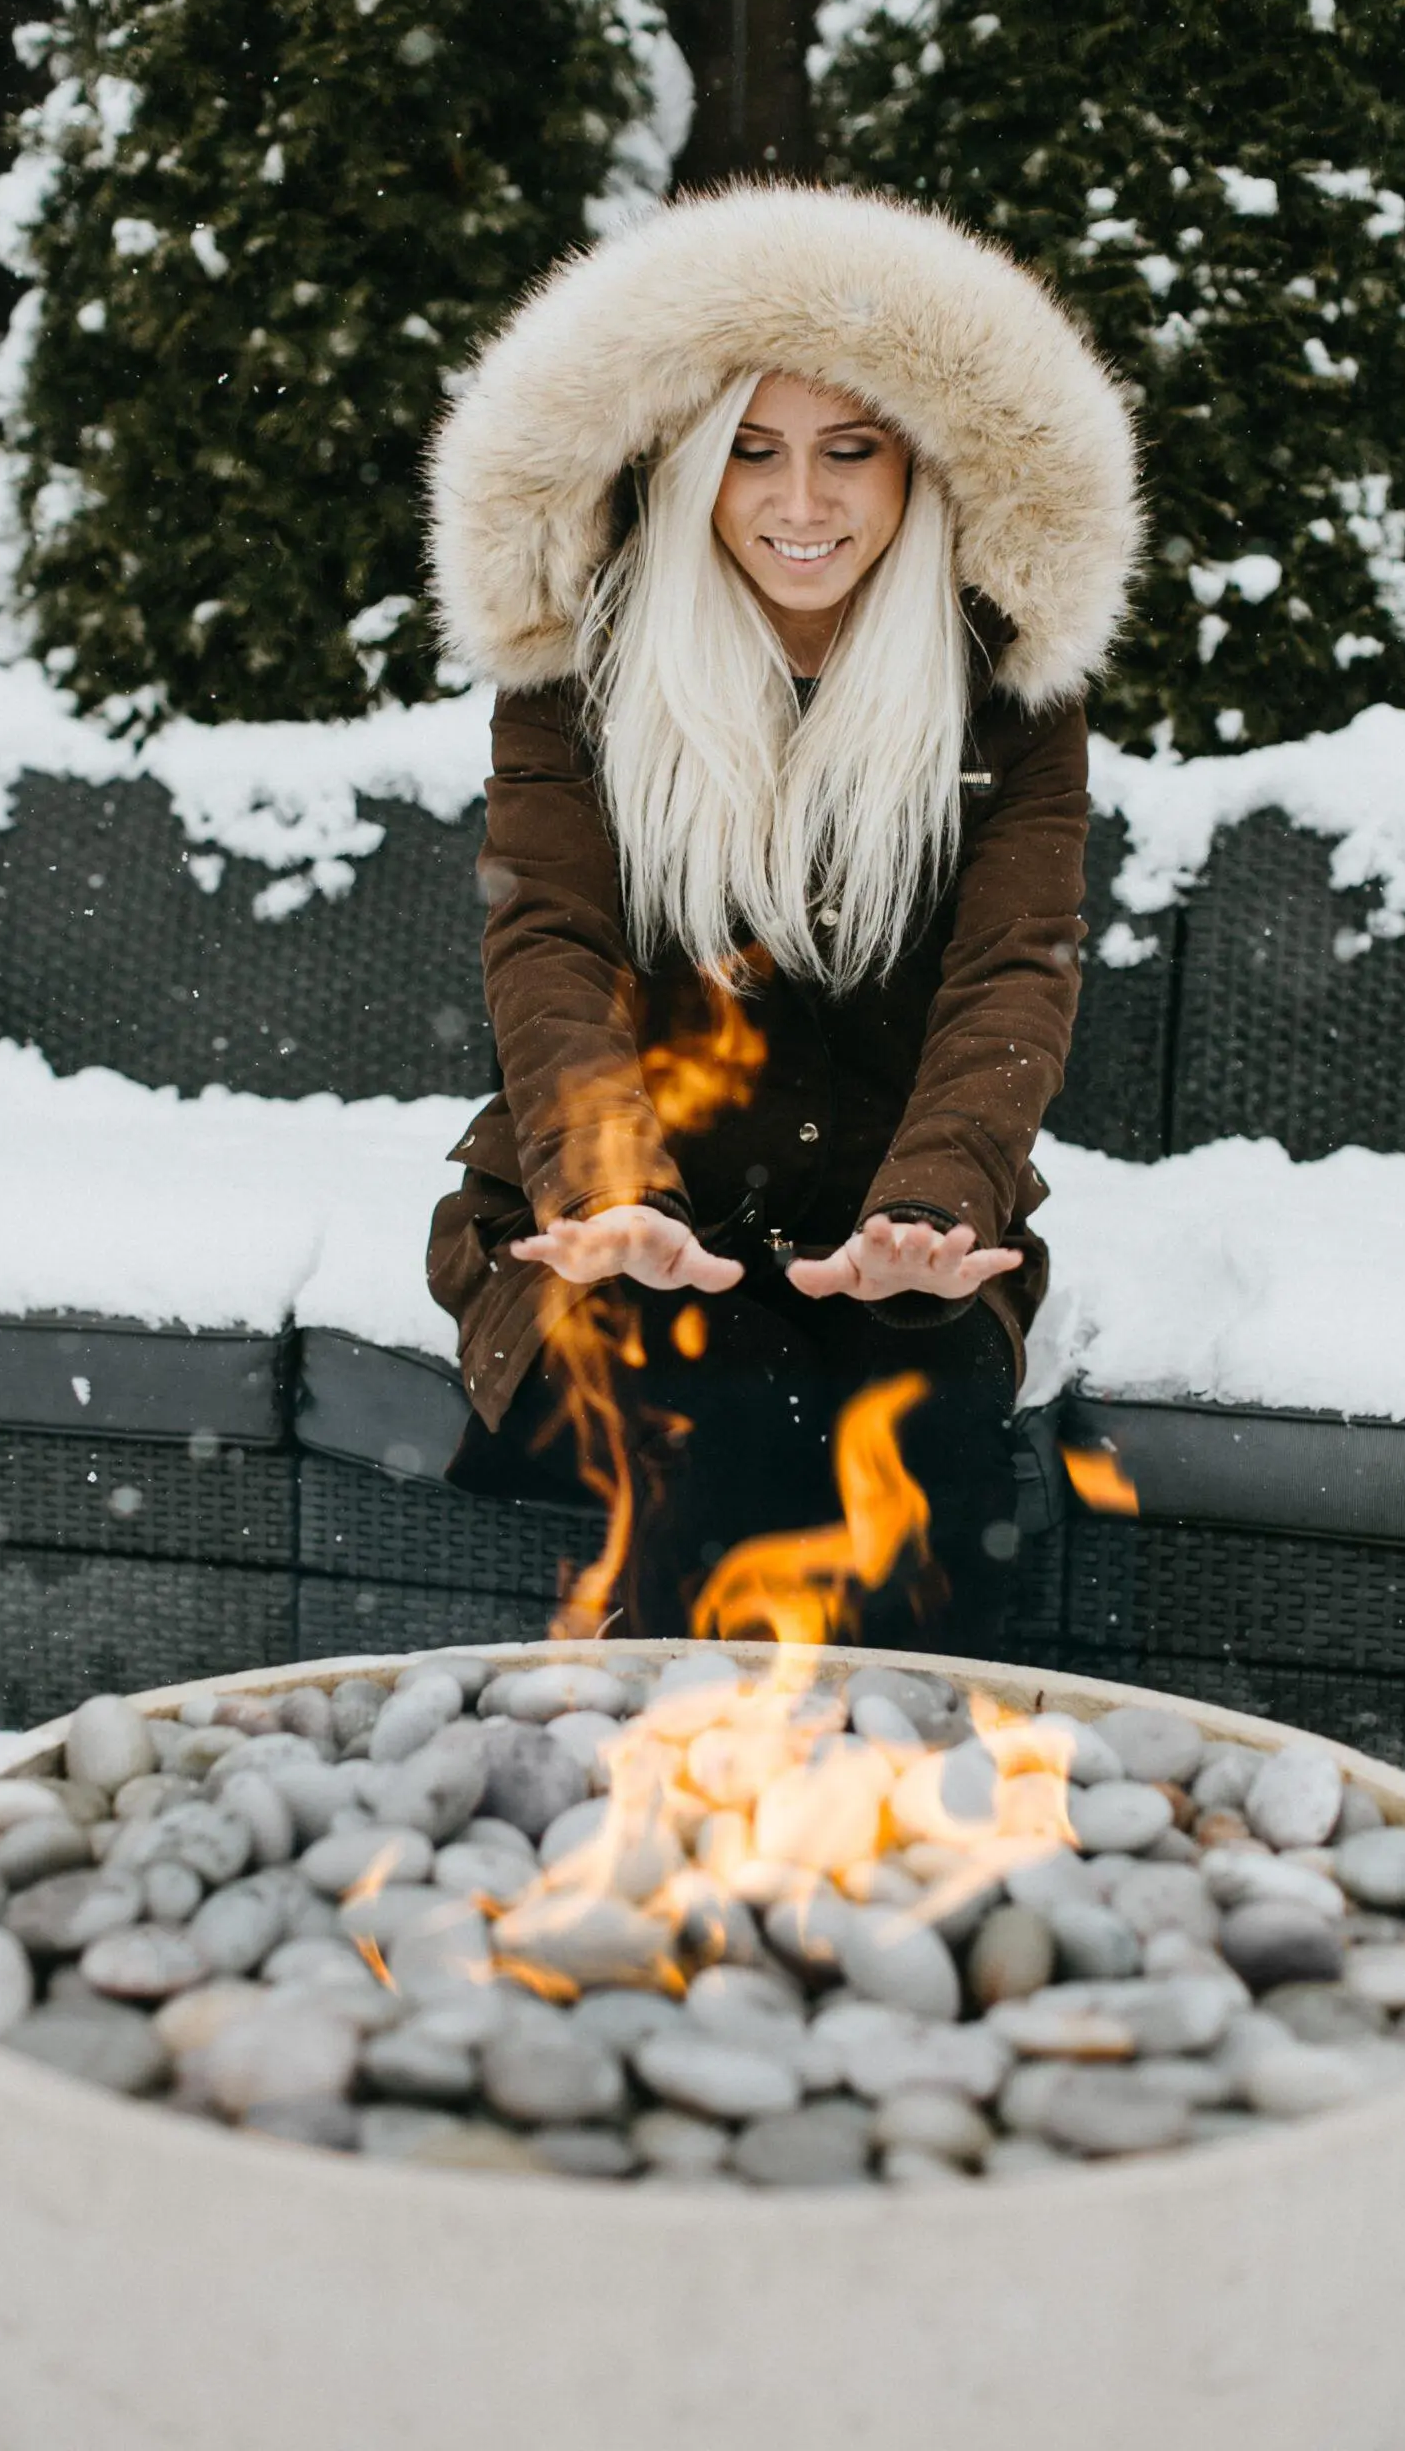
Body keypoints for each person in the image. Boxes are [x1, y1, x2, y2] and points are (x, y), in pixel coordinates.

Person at [425, 183, 1140, 1653]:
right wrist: (612, 1192)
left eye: (845, 451)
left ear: (918, 468)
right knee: (729, 1409)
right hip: (607, 1225)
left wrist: (932, 1208)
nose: (798, 503)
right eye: (749, 453)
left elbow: (1014, 971)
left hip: (897, 1230)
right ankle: (663, 1802)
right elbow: (547, 946)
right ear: (689, 468)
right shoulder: (580, 676)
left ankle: (907, 1818)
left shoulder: (1008, 696)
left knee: (922, 1433)